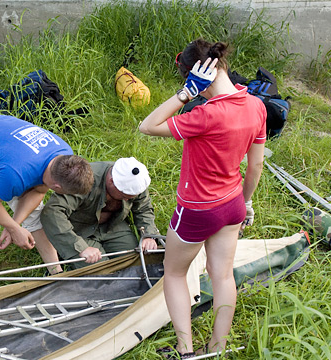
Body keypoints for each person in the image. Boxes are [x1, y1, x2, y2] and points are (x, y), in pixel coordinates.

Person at [139, 39, 266, 358]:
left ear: (194, 75)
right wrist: (246, 202)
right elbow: (256, 165)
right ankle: (218, 347)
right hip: (233, 203)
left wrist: (186, 94)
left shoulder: (206, 114)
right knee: (222, 274)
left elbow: (147, 126)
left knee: (175, 272)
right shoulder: (256, 105)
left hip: (197, 209)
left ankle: (185, 350)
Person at [0, 115, 94, 291]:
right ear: (57, 186)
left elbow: (39, 190)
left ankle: (56, 273)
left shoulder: (63, 158)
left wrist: (14, 223)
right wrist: (14, 229)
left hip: (3, 141)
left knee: (34, 213)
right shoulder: (15, 175)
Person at [40, 157, 159, 268]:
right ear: (112, 181)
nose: (127, 200)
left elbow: (143, 208)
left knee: (138, 263)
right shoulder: (82, 179)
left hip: (113, 227)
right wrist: (80, 247)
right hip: (80, 231)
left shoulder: (135, 183)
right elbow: (52, 212)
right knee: (102, 271)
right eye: (124, 196)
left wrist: (148, 235)